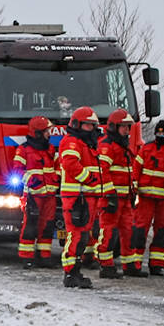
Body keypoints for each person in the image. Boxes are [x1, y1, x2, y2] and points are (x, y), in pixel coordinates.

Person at [126, 118, 164, 276]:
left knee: (161, 231)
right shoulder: (146, 149)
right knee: (140, 229)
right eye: (158, 132)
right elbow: (135, 171)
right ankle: (135, 262)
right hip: (145, 198)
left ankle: (157, 264)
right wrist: (134, 189)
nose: (161, 135)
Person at [57, 107, 103, 288]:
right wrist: (89, 179)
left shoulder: (85, 144)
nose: (92, 129)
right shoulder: (72, 142)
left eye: (93, 126)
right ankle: (70, 273)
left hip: (86, 197)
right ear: (77, 125)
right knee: (76, 235)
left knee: (83, 235)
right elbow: (70, 164)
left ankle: (74, 271)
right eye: (88, 125)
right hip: (77, 198)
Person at [94, 109, 136, 279]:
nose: (127, 130)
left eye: (128, 127)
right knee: (108, 232)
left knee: (128, 232)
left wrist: (133, 192)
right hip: (111, 199)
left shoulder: (124, 148)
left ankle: (130, 265)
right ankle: (106, 266)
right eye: (124, 127)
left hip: (125, 199)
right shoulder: (107, 146)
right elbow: (102, 172)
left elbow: (130, 173)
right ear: (114, 127)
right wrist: (109, 194)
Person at [15, 116, 60, 268]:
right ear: (38, 132)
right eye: (47, 131)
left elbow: (58, 167)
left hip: (50, 195)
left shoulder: (51, 149)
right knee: (30, 226)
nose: (49, 134)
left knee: (47, 226)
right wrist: (31, 180)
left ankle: (44, 256)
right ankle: (26, 257)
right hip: (33, 195)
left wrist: (56, 178)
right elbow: (17, 171)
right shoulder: (23, 149)